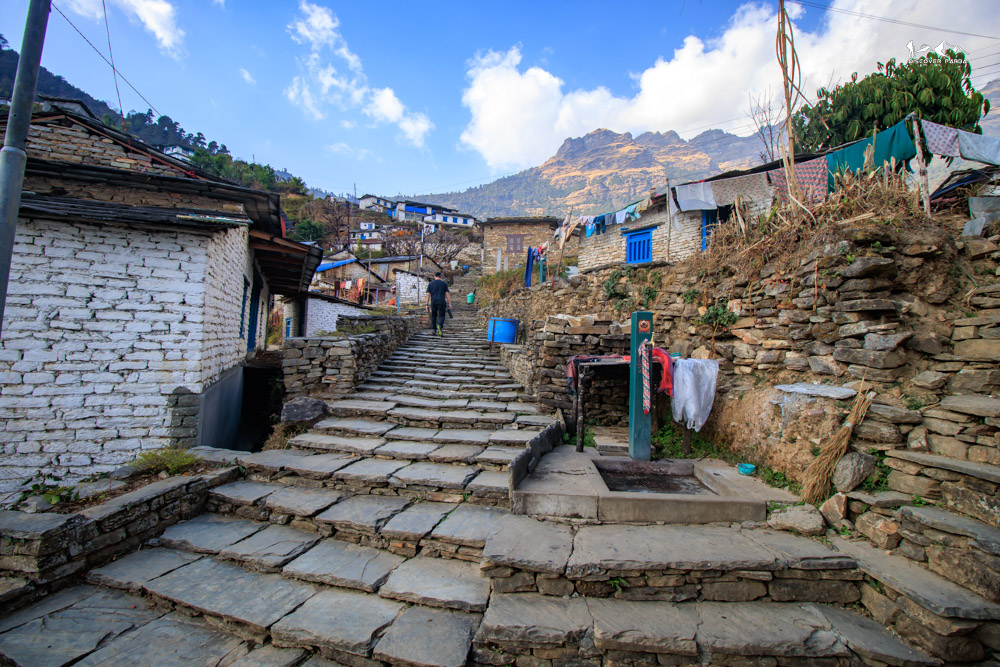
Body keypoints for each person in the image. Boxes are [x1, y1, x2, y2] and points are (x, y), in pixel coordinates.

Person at [425, 272, 451, 336]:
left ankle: (434, 330)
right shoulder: (444, 284)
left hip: (433, 302)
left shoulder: (431, 284)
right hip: (441, 301)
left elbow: (428, 294)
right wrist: (449, 303)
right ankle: (440, 325)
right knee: (441, 315)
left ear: (434, 276)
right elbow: (447, 294)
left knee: (434, 315)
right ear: (440, 277)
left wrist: (426, 304)